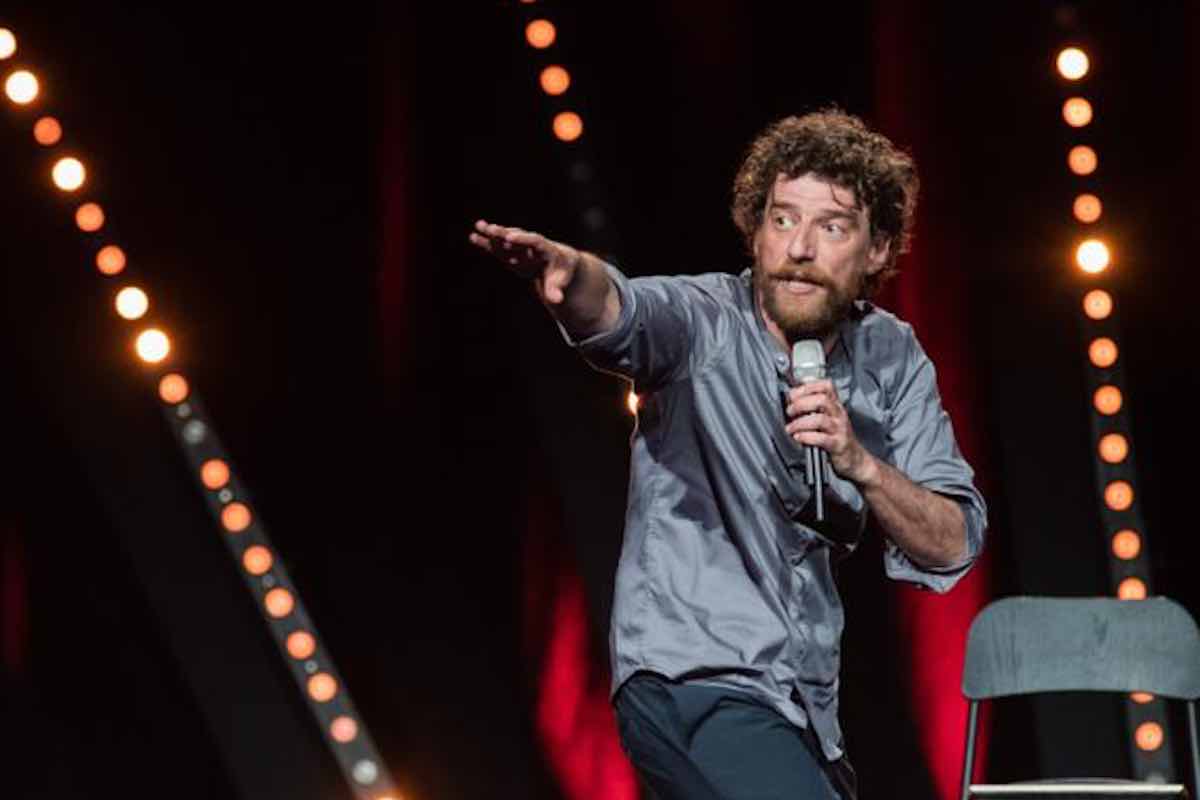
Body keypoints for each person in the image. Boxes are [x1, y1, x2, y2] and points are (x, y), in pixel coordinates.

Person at [468, 109, 987, 800]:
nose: (799, 247)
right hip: (692, 678)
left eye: (832, 227)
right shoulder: (703, 321)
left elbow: (951, 541)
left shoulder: (892, 355)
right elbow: (621, 311)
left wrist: (861, 463)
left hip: (803, 708)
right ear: (755, 229)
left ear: (877, 250)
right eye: (782, 219)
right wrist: (573, 274)